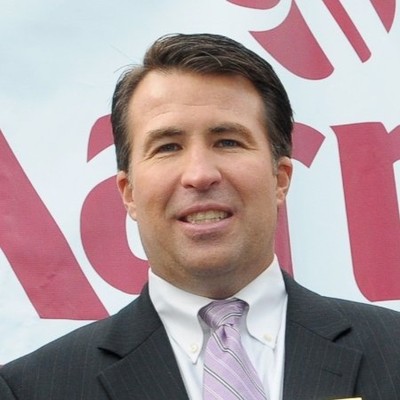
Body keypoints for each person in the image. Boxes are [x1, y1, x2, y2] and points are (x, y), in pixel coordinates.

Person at [0, 33, 399, 400]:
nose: (200, 174)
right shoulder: (32, 388)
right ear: (129, 193)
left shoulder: (392, 350)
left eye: (228, 141)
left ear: (280, 178)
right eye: (168, 147)